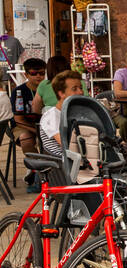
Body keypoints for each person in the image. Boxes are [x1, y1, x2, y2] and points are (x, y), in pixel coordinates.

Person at [12, 58, 46, 191]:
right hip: (23, 125)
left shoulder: (48, 88)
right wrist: (35, 130)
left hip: (43, 125)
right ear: (26, 75)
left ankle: (42, 169)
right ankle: (36, 169)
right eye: (34, 73)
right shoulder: (18, 92)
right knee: (26, 139)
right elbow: (18, 119)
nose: (38, 76)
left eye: (42, 73)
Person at [38, 69, 84, 157]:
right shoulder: (51, 116)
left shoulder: (74, 113)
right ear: (61, 93)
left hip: (79, 159)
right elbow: (65, 144)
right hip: (62, 164)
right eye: (75, 89)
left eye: (81, 88)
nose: (80, 92)